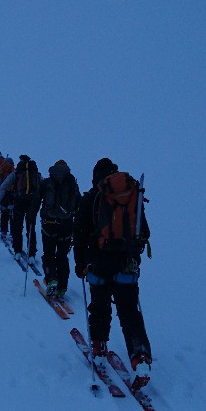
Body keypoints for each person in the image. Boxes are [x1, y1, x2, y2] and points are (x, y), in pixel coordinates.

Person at [73, 157, 152, 370]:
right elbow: (144, 232)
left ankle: (98, 346)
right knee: (129, 310)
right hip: (127, 263)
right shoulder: (131, 197)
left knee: (100, 306)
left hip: (99, 263)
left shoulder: (91, 198)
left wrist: (80, 263)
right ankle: (140, 355)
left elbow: (79, 233)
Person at [37, 159, 79, 299]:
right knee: (62, 256)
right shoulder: (72, 183)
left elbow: (37, 200)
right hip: (66, 225)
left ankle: (52, 279)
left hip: (49, 224)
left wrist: (31, 217)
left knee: (48, 254)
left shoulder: (47, 182)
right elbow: (77, 205)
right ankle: (62, 286)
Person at [0, 154, 41, 259]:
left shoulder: (16, 173)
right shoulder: (35, 173)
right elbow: (44, 185)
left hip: (19, 202)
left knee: (17, 227)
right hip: (32, 204)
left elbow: (3, 186)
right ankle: (32, 254)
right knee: (31, 228)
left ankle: (17, 250)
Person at [0, 157, 15, 237]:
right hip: (13, 196)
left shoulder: (0, 171)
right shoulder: (15, 172)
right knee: (11, 214)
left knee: (4, 213)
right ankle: (12, 231)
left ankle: (4, 230)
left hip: (3, 195)